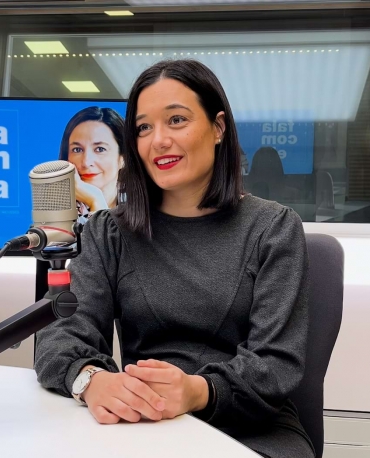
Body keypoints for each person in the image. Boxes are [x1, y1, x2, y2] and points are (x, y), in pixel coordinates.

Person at [35, 59, 314, 458]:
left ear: (218, 128)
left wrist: (196, 391)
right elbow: (59, 337)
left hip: (250, 427)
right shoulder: (106, 232)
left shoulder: (273, 228)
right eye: (144, 128)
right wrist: (91, 379)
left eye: (177, 120)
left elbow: (276, 364)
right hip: (145, 425)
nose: (158, 140)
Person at [58, 106, 125, 215]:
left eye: (100, 149)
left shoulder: (146, 210)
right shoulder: (57, 213)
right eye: (77, 149)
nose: (86, 162)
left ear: (123, 158)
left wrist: (96, 201)